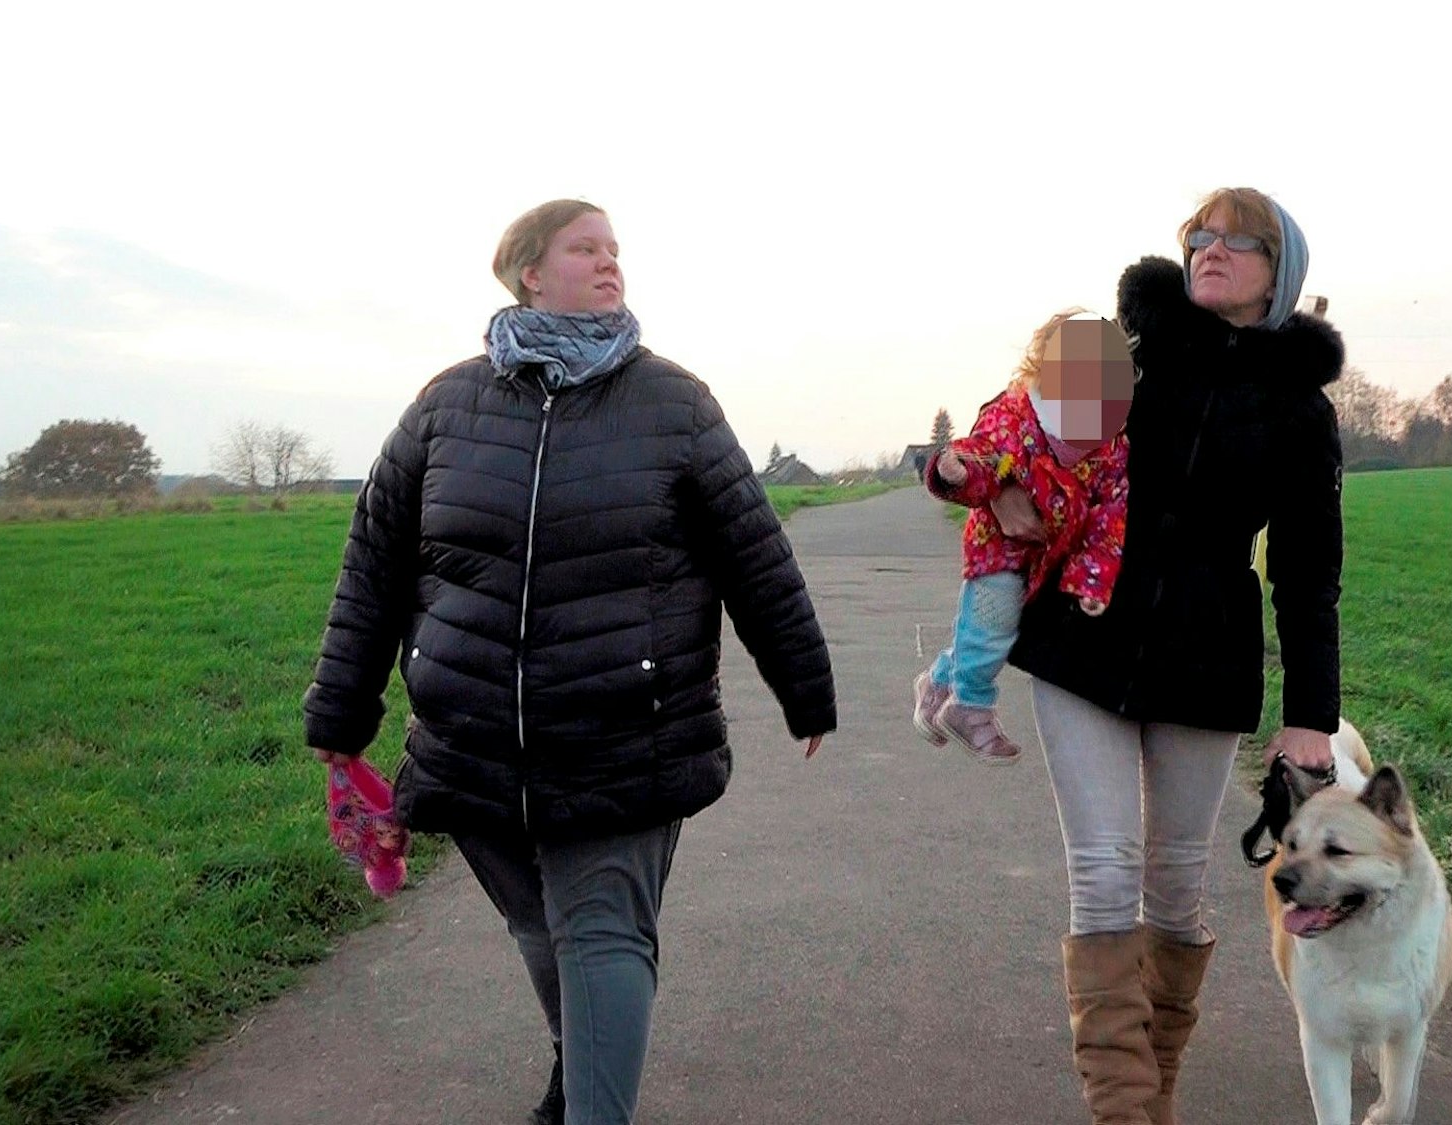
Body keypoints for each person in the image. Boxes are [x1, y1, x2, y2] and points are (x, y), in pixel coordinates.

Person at [303, 199, 836, 1125]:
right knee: (539, 928)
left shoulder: (673, 402)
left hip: (623, 735)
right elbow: (374, 565)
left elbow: (757, 555)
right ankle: (576, 1065)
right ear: (527, 273)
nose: (609, 262)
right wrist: (341, 717)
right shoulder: (446, 405)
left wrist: (806, 688)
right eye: (584, 247)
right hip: (470, 740)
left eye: (616, 249)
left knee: (600, 933)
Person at [1001, 187, 1345, 1125]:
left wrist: (1311, 715)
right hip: (1084, 627)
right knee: (1105, 864)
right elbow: (1013, 433)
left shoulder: (1300, 411)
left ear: (1281, 276)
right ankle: (1124, 1112)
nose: (1211, 249)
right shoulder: (1126, 354)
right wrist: (985, 487)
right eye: (1201, 235)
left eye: (1240, 241)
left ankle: (1153, 1094)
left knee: (1176, 881)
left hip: (1208, 651)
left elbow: (1309, 576)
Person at [914, 310, 1133, 765]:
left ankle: (937, 683)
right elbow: (984, 455)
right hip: (998, 549)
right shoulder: (1016, 416)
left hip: (1045, 557)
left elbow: (1109, 515)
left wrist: (1091, 579)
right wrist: (958, 470)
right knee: (992, 626)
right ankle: (971, 706)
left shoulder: (1110, 443)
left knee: (993, 629)